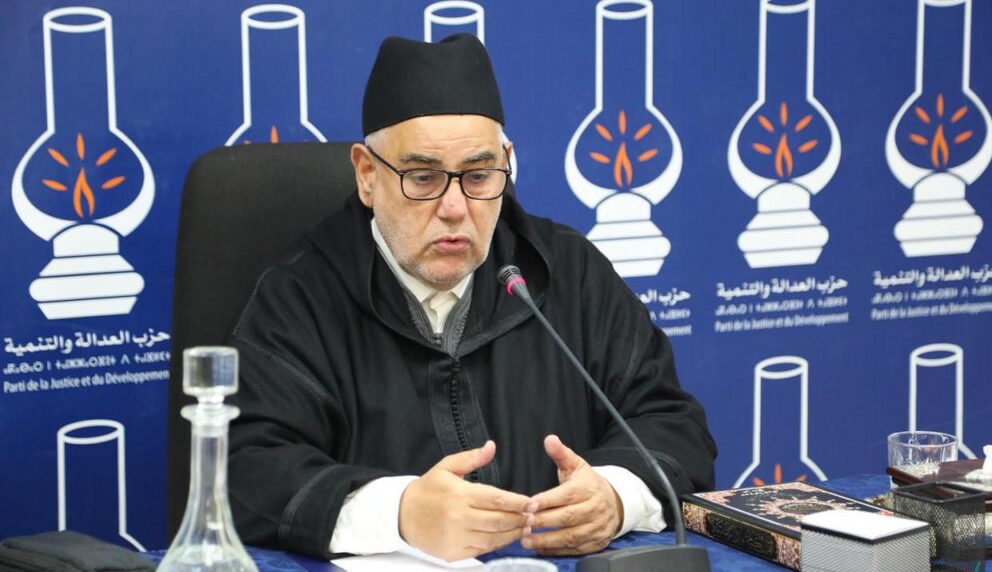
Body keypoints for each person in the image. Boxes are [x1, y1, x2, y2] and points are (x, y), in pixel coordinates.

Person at [226, 34, 716, 562]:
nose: (456, 207)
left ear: (506, 162)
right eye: (423, 178)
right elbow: (247, 470)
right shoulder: (299, 298)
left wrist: (616, 495)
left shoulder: (568, 271)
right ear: (367, 175)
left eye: (479, 176)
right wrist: (399, 513)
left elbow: (672, 425)